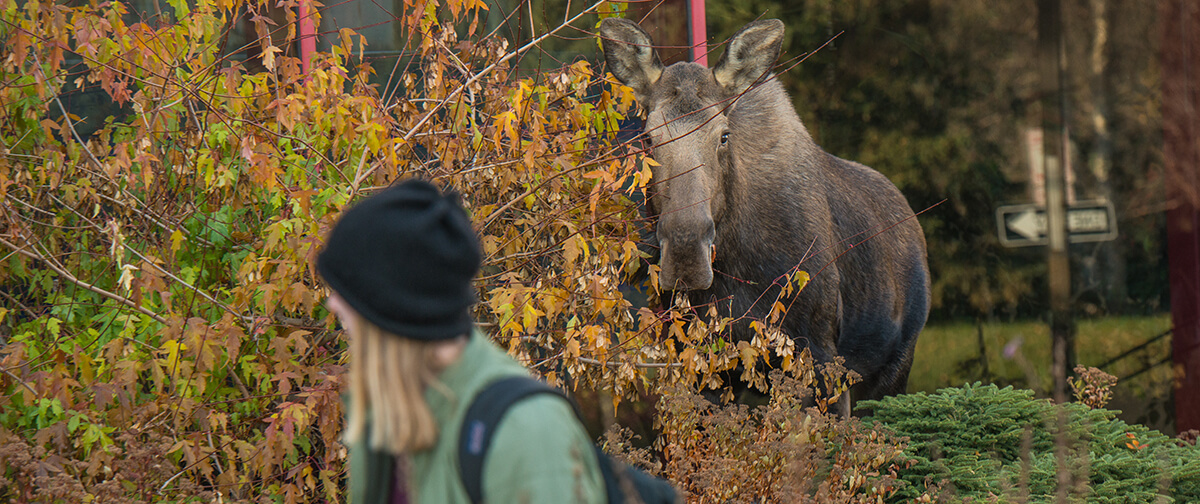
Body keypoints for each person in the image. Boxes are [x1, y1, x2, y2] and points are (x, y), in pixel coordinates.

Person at [317, 179, 607, 504]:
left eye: (347, 292)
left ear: (392, 307)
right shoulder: (385, 408)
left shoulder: (526, 433)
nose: (333, 304)